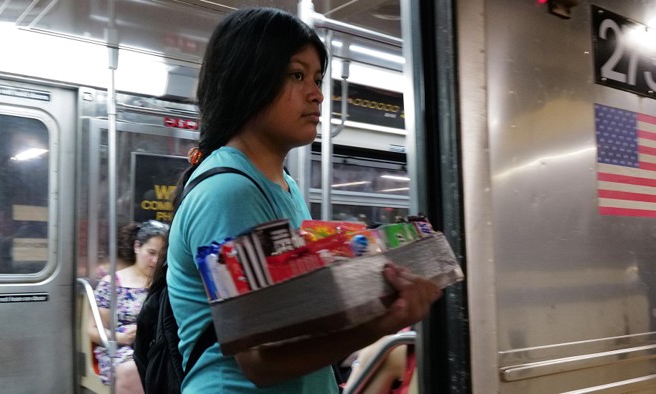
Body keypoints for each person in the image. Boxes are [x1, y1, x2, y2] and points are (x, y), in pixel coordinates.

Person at [165, 7, 442, 393]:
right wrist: (383, 324)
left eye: (316, 78)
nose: (317, 95)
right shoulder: (231, 192)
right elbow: (260, 360)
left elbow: (293, 316)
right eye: (297, 76)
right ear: (248, 81)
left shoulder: (285, 187)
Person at [89, 220, 169, 393]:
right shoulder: (112, 284)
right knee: (132, 369)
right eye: (151, 253)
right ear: (137, 247)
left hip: (155, 345)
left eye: (161, 256)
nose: (155, 261)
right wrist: (120, 337)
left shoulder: (165, 283)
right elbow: (94, 330)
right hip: (120, 347)